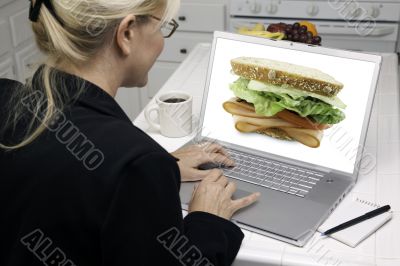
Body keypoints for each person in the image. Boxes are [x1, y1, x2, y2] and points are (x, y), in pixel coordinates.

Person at [0, 0, 260, 265]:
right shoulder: (136, 162)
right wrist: (208, 221)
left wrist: (148, 173)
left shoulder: (6, 96)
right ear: (126, 33)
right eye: (163, 28)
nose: (162, 42)